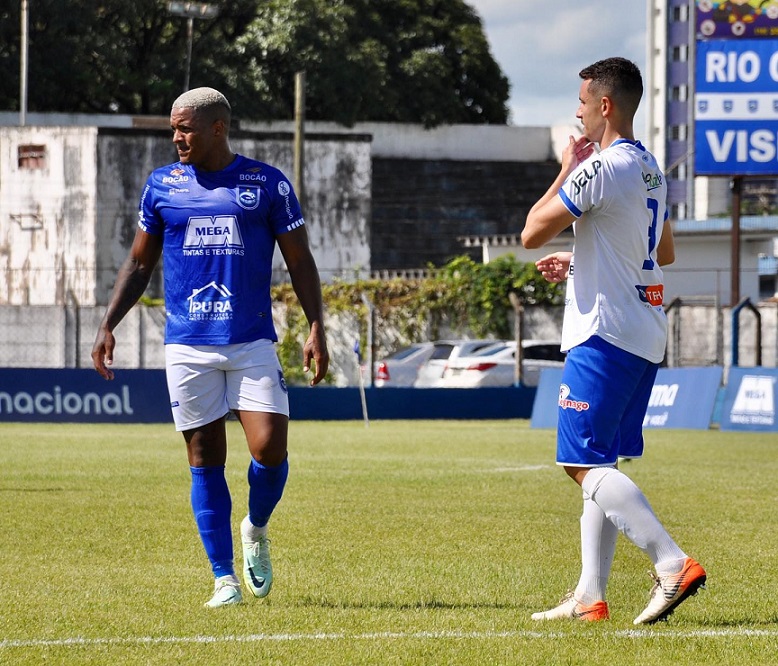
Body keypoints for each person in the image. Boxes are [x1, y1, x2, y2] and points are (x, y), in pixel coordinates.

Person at [91, 87, 329, 608]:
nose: (177, 138)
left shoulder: (266, 183)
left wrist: (316, 324)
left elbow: (301, 260)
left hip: (251, 343)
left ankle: (256, 528)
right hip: (187, 347)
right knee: (204, 457)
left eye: (185, 129)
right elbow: (138, 264)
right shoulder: (162, 187)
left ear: (217, 128)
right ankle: (224, 580)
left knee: (269, 448)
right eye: (173, 129)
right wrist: (108, 323)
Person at [521, 58, 706, 625]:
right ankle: (589, 596)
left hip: (603, 334)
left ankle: (670, 561)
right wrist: (581, 261)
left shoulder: (597, 168)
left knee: (579, 461)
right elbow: (660, 252)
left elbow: (530, 231)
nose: (575, 110)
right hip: (642, 331)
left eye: (581, 100)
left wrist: (564, 169)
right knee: (601, 459)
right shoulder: (651, 168)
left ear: (605, 106)